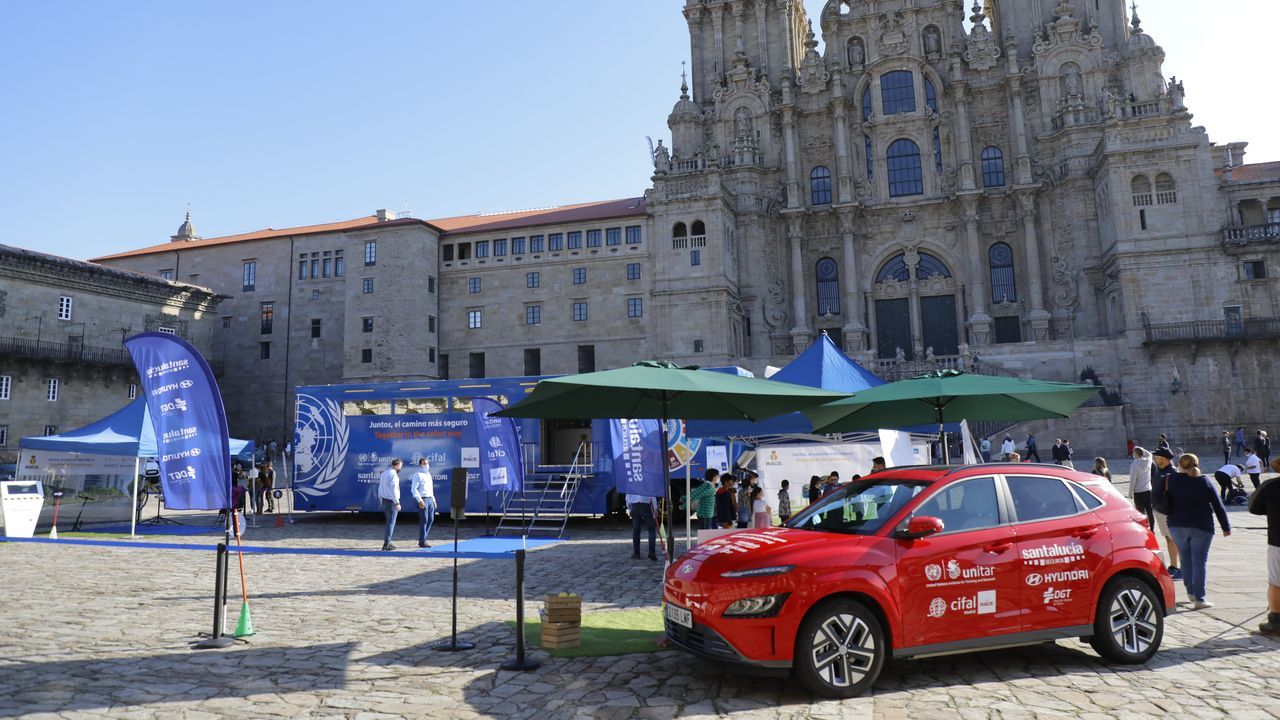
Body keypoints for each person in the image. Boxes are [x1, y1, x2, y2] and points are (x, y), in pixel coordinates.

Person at [1164, 453, 1231, 608]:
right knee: (1200, 562)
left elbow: (1161, 499)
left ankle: (1191, 592)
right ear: (1197, 464)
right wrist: (1225, 526)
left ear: (1179, 465)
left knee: (1185, 559)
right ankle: (1200, 599)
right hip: (1201, 526)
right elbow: (1217, 504)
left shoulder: (1171, 479)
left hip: (1177, 525)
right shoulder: (1204, 480)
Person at [1250, 458, 1280, 635]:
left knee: (1276, 583)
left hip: (1278, 541)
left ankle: (1276, 620)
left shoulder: (1271, 486)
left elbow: (1254, 507)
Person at [1149, 448, 1182, 580]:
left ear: (1164, 458)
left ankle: (1183, 567)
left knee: (1176, 538)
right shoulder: (1159, 470)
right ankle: (1173, 565)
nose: (1155, 457)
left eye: (1157, 455)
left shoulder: (1172, 472)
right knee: (1169, 538)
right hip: (1160, 509)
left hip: (1168, 511)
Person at [378, 459, 403, 551]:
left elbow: (380, 488)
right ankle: (387, 543)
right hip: (391, 501)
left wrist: (380, 500)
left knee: (389, 522)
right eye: (400, 466)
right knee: (391, 523)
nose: (401, 467)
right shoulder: (394, 475)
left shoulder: (384, 473)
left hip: (385, 500)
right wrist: (397, 503)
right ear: (396, 465)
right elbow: (394, 490)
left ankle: (387, 542)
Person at [410, 457, 435, 548]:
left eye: (427, 463)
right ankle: (422, 540)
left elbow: (430, 489)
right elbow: (414, 489)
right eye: (424, 463)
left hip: (430, 499)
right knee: (424, 520)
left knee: (431, 519)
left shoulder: (428, 474)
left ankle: (424, 538)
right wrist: (420, 500)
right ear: (420, 465)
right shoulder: (418, 474)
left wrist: (434, 500)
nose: (426, 465)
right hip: (422, 499)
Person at [627, 493, 658, 560]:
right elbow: (652, 493)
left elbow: (628, 495)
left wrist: (629, 508)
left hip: (635, 505)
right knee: (651, 530)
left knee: (636, 530)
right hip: (646, 504)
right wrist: (655, 507)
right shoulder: (648, 481)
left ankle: (636, 553)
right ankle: (652, 552)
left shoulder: (632, 482)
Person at [1129, 447, 1154, 528]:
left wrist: (1130, 492)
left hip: (1138, 491)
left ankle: (1144, 528)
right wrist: (1141, 449)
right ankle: (1152, 528)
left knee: (1140, 512)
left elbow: (1133, 480)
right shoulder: (1148, 461)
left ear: (1136, 454)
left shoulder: (1134, 465)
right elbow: (1149, 454)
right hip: (1148, 489)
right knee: (1150, 511)